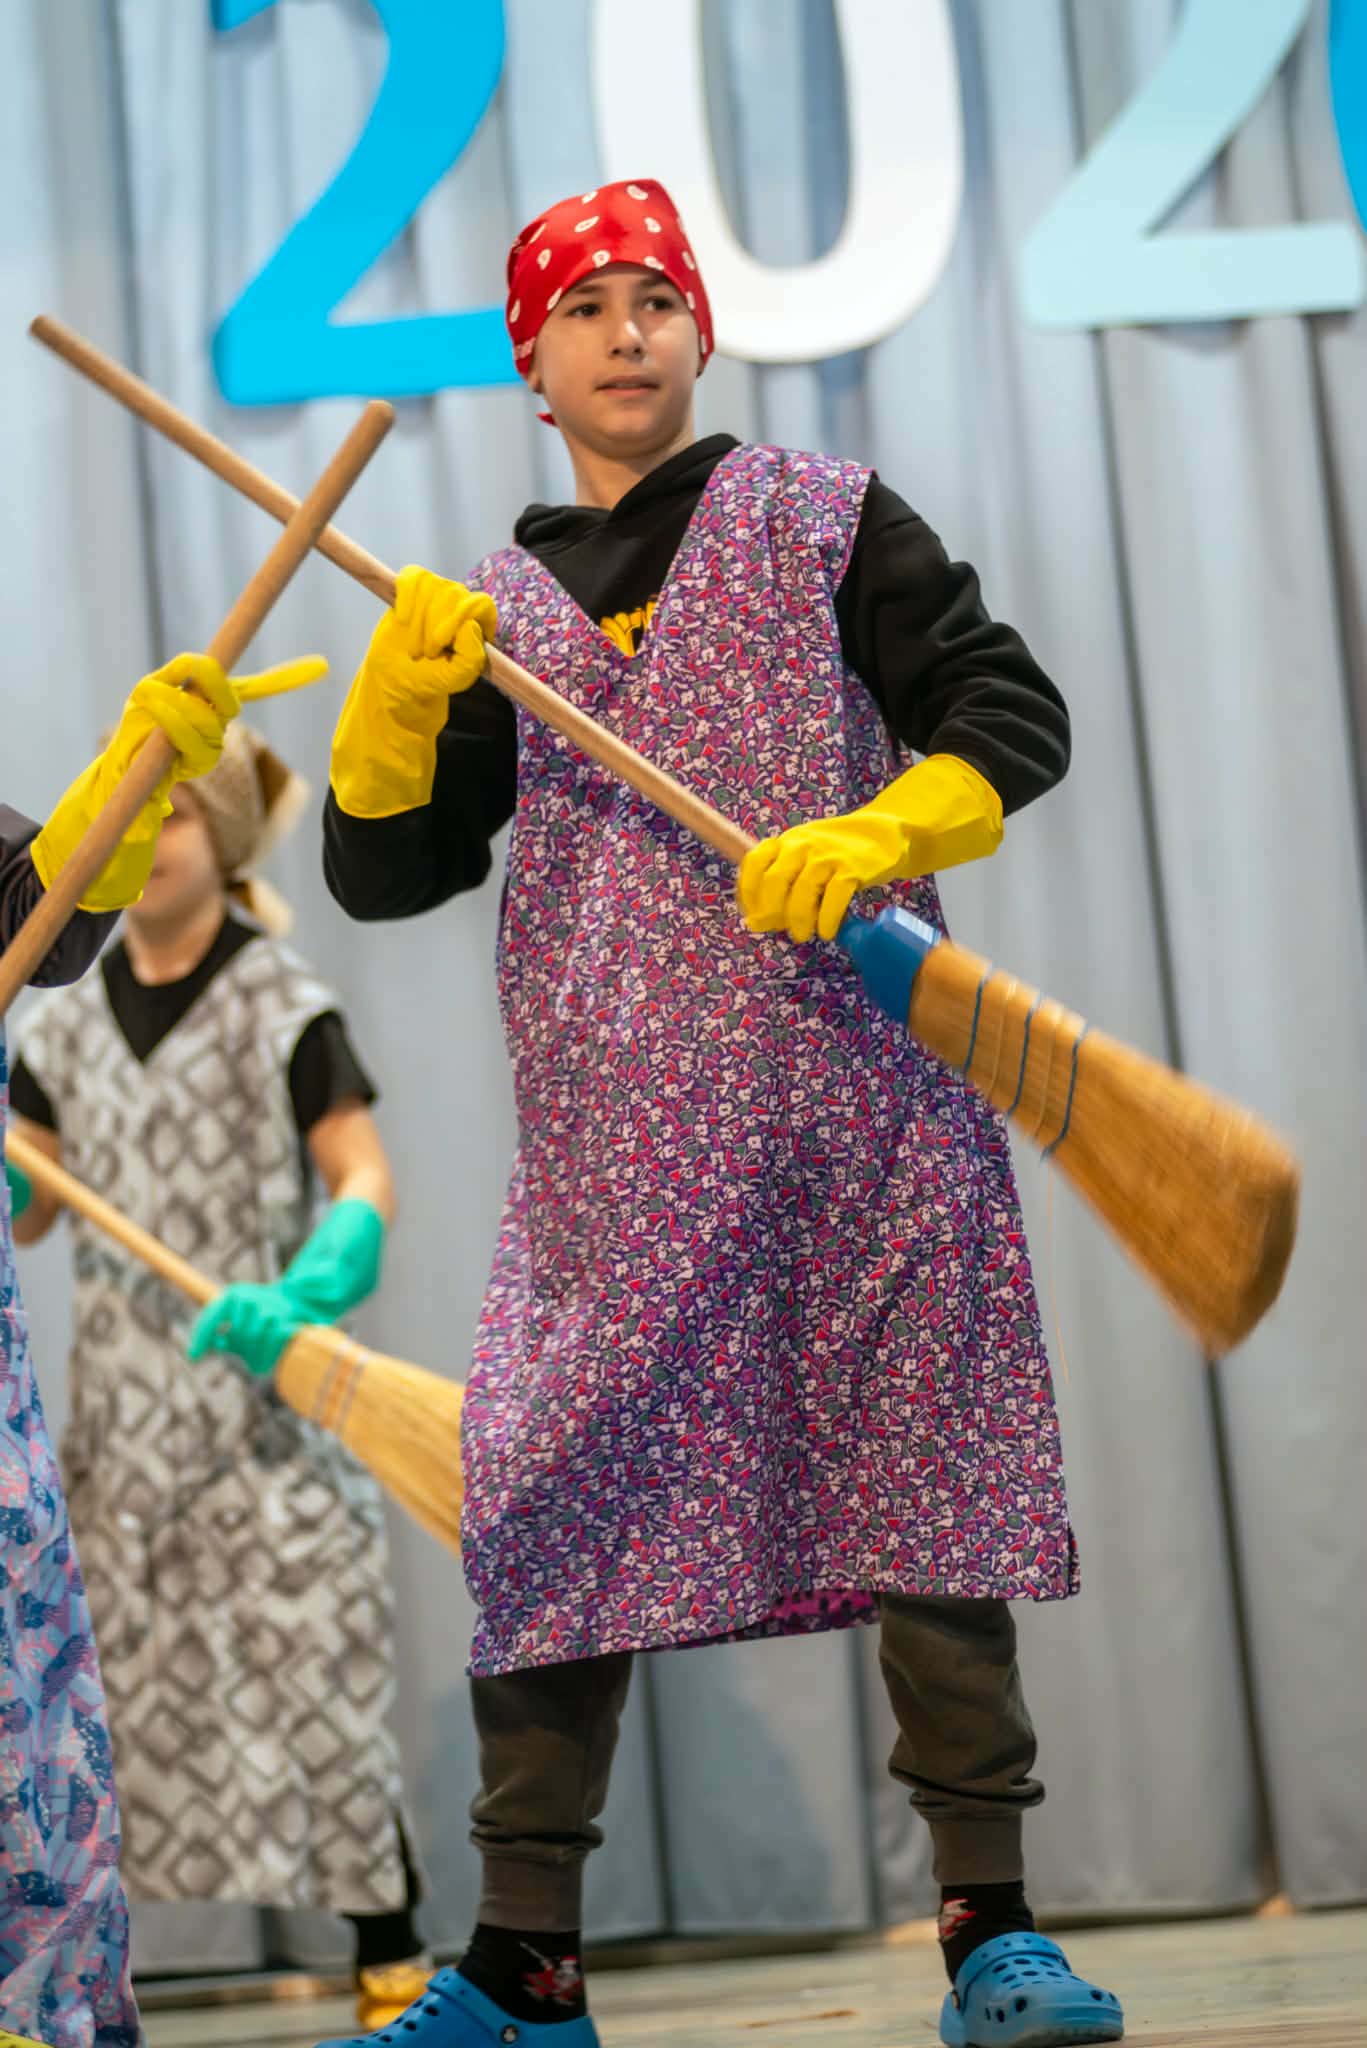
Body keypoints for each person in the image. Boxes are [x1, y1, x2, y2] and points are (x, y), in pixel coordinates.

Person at [316, 179, 1124, 2048]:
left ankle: (992, 1937)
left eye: (655, 298)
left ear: (700, 332)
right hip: (613, 1159)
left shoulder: (823, 519)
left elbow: (1011, 711)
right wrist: (389, 721)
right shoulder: (496, 613)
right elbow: (391, 874)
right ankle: (527, 1970)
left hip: (866, 1121)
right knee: (546, 1509)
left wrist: (887, 827)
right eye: (581, 305)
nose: (625, 329)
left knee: (927, 1494)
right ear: (530, 366)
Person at [8, 715, 433, 2033]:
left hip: (262, 1409)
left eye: (182, 812)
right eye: (145, 814)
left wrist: (311, 1282)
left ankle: (392, 1948)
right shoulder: (58, 1021)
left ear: (228, 835)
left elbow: (362, 1174)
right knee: (119, 1714)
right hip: (125, 1429)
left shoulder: (281, 999)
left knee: (318, 1684)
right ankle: (79, 1977)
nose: (161, 836)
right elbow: (33, 1210)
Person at [1, 651, 245, 2048]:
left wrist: (119, 791)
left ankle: (30, 1998)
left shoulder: (275, 1000)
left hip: (225, 1399)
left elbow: (36, 914)